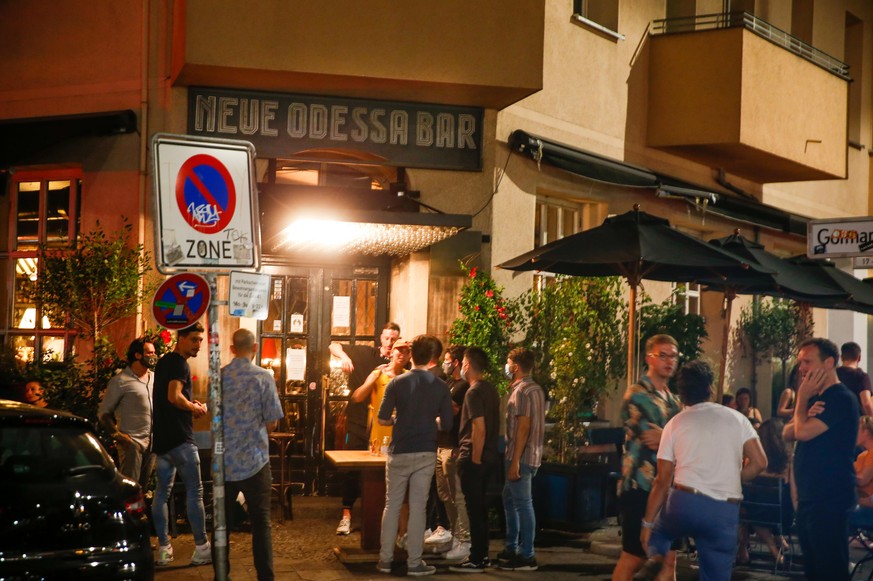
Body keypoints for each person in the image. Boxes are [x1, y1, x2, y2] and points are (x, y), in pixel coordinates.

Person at [635, 360, 767, 581]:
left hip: (683, 501)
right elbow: (760, 462)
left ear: (682, 395)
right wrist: (735, 478)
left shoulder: (674, 424)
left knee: (660, 534)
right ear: (711, 388)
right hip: (722, 510)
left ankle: (656, 558)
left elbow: (662, 481)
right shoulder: (738, 419)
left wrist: (647, 524)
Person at [376, 335, 453, 577]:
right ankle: (414, 562)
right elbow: (447, 424)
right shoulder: (440, 386)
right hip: (425, 451)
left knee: (392, 504)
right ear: (433, 358)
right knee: (419, 508)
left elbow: (382, 418)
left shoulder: (396, 383)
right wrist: (431, 421)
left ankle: (385, 560)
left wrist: (399, 419)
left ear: (411, 355)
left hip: (399, 451)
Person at [783, 337, 859, 581]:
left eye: (807, 361)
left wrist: (802, 399)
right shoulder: (817, 398)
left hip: (830, 497)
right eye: (800, 362)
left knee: (830, 569)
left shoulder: (840, 398)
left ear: (829, 363)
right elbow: (786, 432)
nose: (802, 367)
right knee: (814, 569)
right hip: (810, 497)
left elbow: (802, 432)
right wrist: (803, 412)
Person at [612, 335, 683, 581]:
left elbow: (671, 439)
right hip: (640, 484)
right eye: (662, 355)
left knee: (670, 558)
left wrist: (668, 436)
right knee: (634, 555)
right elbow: (652, 438)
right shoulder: (637, 394)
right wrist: (672, 437)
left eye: (673, 355)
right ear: (649, 358)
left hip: (668, 487)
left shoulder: (674, 400)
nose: (669, 361)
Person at [218, 328, 284, 581]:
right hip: (256, 460)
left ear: (233, 349)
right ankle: (265, 577)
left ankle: (222, 575)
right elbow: (272, 423)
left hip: (225, 461)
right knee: (261, 525)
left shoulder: (221, 376)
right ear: (255, 348)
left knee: (221, 526)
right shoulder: (263, 377)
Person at [329, 322, 400, 535]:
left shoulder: (398, 364)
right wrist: (344, 357)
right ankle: (346, 514)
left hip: (386, 426)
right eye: (387, 338)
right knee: (352, 468)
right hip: (359, 419)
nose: (390, 343)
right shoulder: (365, 353)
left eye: (394, 339)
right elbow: (333, 345)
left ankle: (380, 517)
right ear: (381, 338)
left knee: (385, 469)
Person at [151, 322, 212, 567]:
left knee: (161, 495)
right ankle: (202, 548)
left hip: (164, 440)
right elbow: (173, 396)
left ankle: (164, 550)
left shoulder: (164, 362)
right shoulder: (179, 363)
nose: (199, 344)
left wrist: (188, 401)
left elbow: (172, 397)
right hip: (181, 440)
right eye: (195, 339)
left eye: (201, 340)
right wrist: (194, 407)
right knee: (195, 492)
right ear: (182, 338)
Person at [448, 347, 501, 574]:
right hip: (489, 455)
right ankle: (482, 555)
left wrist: (474, 459)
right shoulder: (490, 389)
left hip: (474, 457)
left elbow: (478, 427)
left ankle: (477, 558)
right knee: (479, 508)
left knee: (474, 509)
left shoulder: (473, 392)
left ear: (467, 365)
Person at [497, 347, 545, 572]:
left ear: (515, 366)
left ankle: (527, 555)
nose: (506, 367)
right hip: (530, 455)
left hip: (521, 457)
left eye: (508, 363)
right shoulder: (535, 389)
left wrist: (515, 461)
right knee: (510, 499)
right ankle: (512, 546)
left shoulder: (522, 391)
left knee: (523, 504)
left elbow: (523, 426)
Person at [736, 418, 795, 567]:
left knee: (747, 510)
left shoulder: (756, 461)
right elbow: (793, 488)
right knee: (756, 507)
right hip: (783, 515)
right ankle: (778, 541)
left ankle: (769, 551)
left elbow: (743, 483)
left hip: (758, 514)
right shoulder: (789, 460)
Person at [98, 337, 157, 485]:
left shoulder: (154, 378)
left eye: (154, 353)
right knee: (130, 487)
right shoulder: (120, 381)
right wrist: (119, 436)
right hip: (132, 442)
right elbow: (103, 413)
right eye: (149, 353)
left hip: (152, 442)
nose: (153, 356)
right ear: (138, 355)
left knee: (143, 488)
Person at [435, 345, 471, 561]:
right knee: (444, 494)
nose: (444, 364)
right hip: (441, 444)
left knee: (457, 495)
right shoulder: (448, 383)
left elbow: (450, 408)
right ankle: (453, 535)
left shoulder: (463, 386)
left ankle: (463, 539)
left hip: (454, 446)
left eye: (447, 360)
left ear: (456, 362)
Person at [837, 341, 873, 416]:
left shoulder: (833, 374)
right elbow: (866, 403)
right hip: (856, 421)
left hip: (835, 419)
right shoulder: (861, 377)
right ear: (859, 358)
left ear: (841, 357)